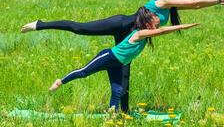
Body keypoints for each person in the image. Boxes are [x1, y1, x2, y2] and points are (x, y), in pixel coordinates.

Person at [21, 0, 224, 112]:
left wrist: (217, 4)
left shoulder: (171, 6)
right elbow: (194, 2)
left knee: (123, 79)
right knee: (80, 28)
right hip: (120, 24)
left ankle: (121, 113)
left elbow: (196, 6)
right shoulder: (163, 1)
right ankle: (40, 25)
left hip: (129, 39)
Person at [49, 7, 199, 111]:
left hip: (118, 63)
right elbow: (162, 31)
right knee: (83, 72)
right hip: (108, 56)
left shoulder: (144, 34)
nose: (158, 26)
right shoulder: (139, 33)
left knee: (118, 90)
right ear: (147, 25)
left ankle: (111, 113)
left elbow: (160, 30)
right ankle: (60, 81)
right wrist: (182, 26)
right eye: (156, 24)